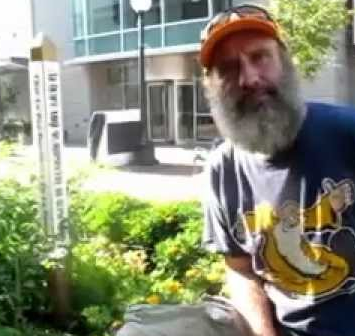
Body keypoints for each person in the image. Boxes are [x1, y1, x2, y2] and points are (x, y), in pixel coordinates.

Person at [201, 3, 355, 336]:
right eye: (228, 68)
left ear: (285, 62)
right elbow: (240, 268)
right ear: (212, 85)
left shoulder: (347, 133)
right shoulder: (222, 169)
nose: (249, 78)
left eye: (260, 57)